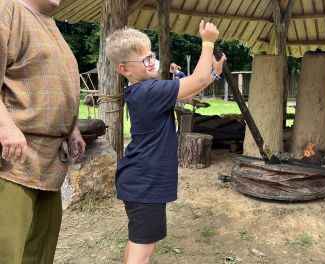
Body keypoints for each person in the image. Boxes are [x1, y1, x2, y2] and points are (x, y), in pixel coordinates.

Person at [105, 20, 226, 264]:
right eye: (144, 60)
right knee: (143, 252)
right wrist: (208, 42)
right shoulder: (149, 92)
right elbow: (198, 78)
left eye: (151, 56)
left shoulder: (146, 90)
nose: (151, 62)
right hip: (145, 183)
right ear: (124, 69)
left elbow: (189, 90)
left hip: (140, 180)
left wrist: (213, 74)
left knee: (137, 241)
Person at [0, 0, 86, 263]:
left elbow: (49, 80)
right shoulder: (8, 8)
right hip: (12, 161)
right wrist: (4, 125)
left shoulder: (51, 24)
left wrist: (72, 128)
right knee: (7, 252)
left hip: (51, 165)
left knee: (38, 254)